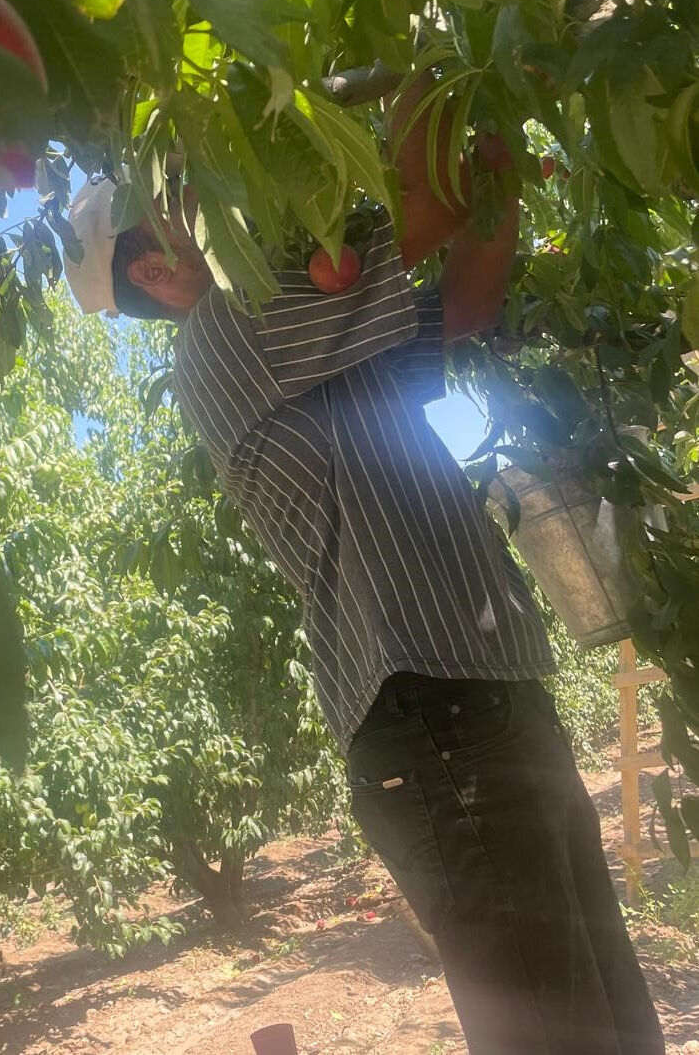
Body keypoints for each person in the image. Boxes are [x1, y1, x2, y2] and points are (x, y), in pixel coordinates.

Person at [62, 113, 665, 1052]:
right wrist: (452, 47)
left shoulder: (328, 347)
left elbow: (463, 302)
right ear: (152, 270)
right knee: (562, 1033)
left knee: (613, 1022)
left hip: (487, 694)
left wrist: (494, 148)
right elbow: (419, 213)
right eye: (180, 203)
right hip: (433, 717)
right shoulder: (226, 333)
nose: (212, 198)